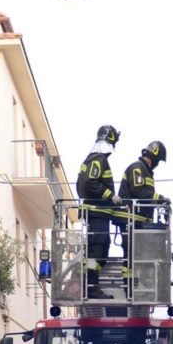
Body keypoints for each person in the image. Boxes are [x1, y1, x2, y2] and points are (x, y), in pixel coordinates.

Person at [115, 141, 169, 292]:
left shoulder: (146, 171)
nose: (158, 164)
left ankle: (135, 285)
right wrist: (159, 198)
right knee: (131, 253)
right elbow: (138, 191)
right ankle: (129, 287)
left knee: (138, 254)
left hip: (137, 220)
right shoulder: (137, 168)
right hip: (129, 219)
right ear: (154, 157)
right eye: (158, 161)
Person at [76, 124, 121, 299]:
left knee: (102, 248)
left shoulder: (92, 158)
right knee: (96, 250)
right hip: (97, 214)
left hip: (99, 214)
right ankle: (91, 287)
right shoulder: (98, 159)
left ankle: (91, 284)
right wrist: (110, 195)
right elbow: (89, 183)